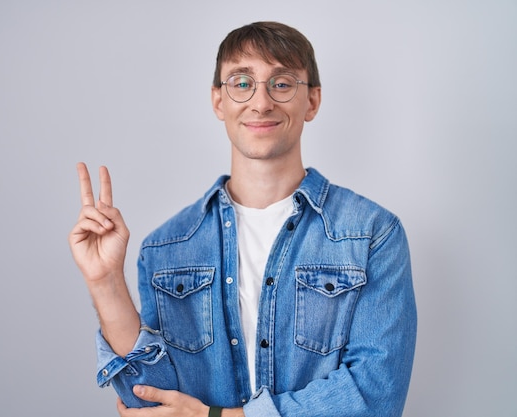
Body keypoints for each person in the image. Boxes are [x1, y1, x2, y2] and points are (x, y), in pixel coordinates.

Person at [69, 21, 417, 417]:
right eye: (241, 82)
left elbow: (376, 395)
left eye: (282, 83)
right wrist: (105, 281)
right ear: (219, 101)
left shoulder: (372, 234)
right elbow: (148, 400)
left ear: (313, 101)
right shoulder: (166, 247)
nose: (261, 102)